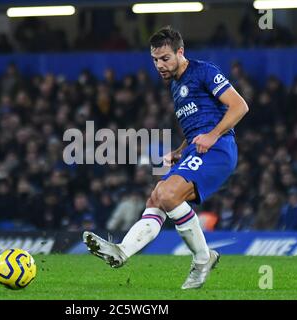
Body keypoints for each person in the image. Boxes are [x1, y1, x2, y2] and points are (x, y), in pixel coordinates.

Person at [83, 26, 249, 289]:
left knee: (169, 195)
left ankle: (203, 258)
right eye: (155, 60)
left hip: (219, 149)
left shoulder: (204, 71)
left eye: (165, 59)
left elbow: (240, 106)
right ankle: (122, 251)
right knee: (157, 196)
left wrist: (214, 135)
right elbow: (197, 127)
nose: (159, 65)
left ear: (180, 52)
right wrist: (181, 149)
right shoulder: (175, 85)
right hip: (198, 149)